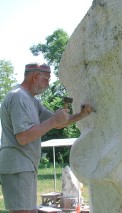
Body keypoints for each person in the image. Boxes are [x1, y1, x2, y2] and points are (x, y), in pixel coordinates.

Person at [0, 63, 93, 213]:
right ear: (35, 77)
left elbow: (58, 122)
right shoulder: (18, 97)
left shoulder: (32, 100)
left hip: (26, 165)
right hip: (18, 166)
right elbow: (22, 137)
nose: (48, 84)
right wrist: (54, 121)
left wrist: (81, 115)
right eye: (46, 79)